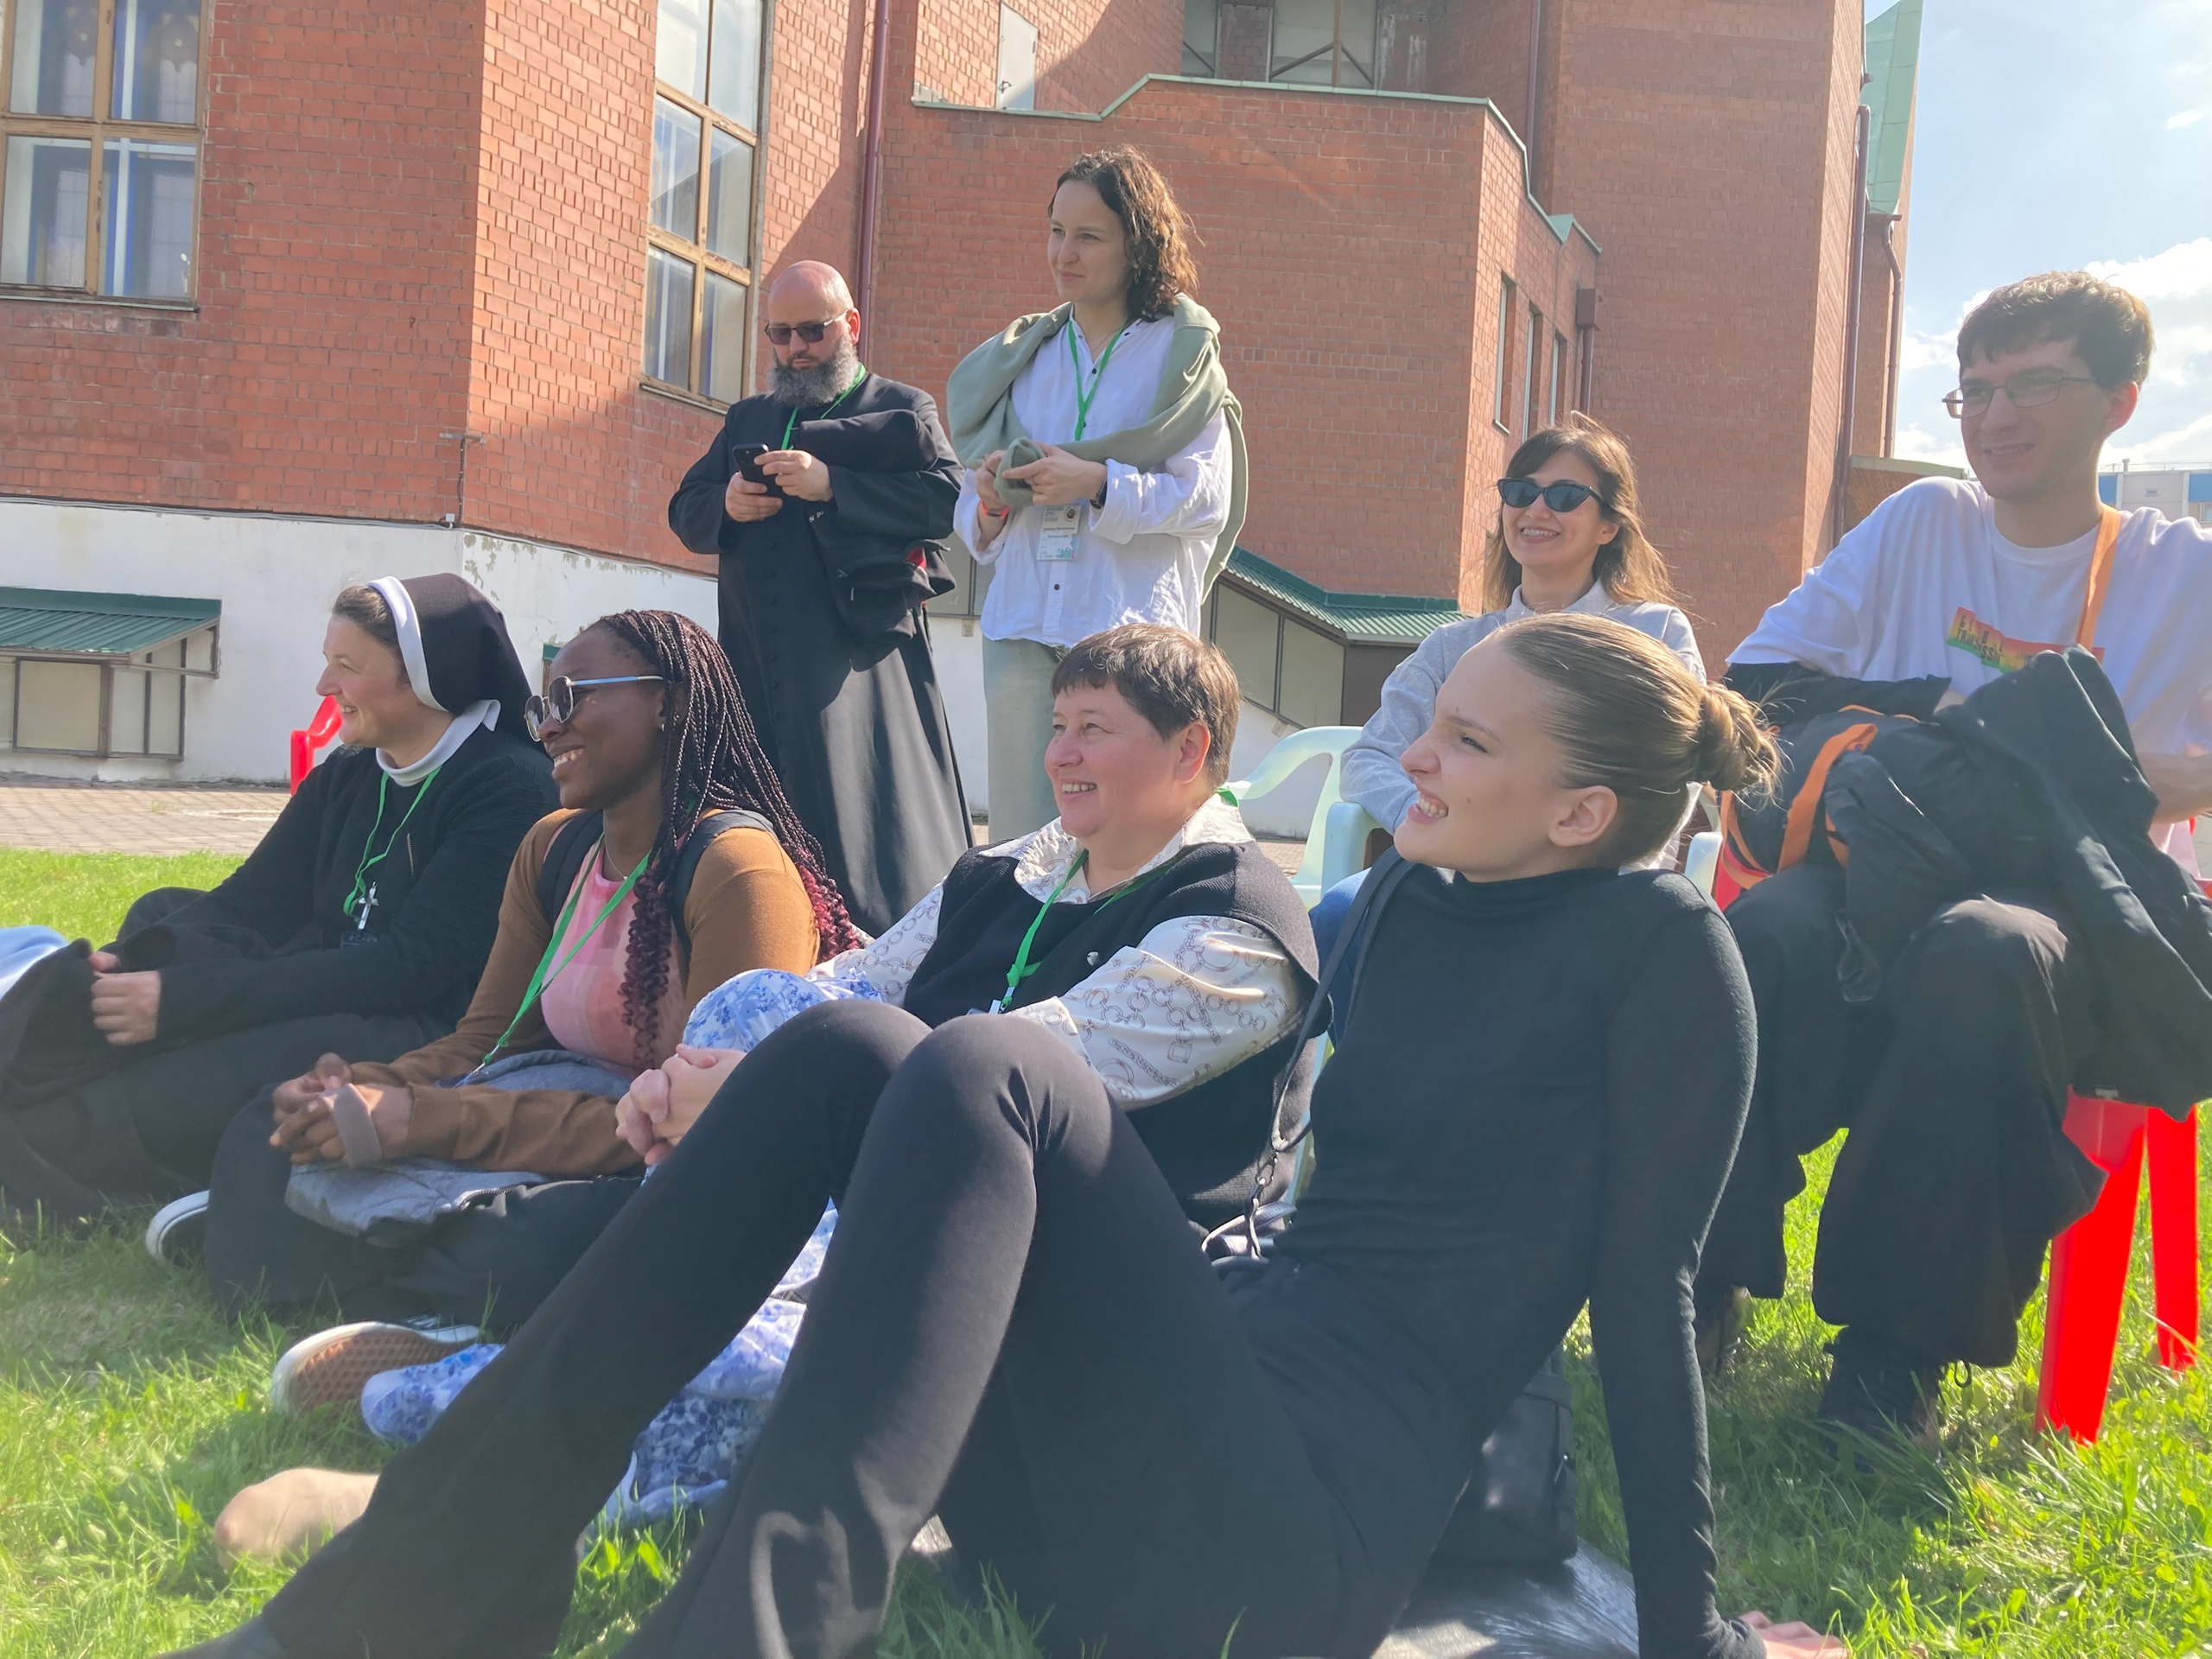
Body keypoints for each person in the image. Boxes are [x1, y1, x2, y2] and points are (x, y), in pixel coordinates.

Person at [167, 613, 1851, 1659]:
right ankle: (439, 1570)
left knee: (986, 1069)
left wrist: (1695, 1641)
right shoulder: (1413, 895)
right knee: (852, 1048)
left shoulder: (1663, 960)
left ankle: (758, 1635)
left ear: (1582, 810)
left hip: (1282, 1560)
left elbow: (1648, 1308)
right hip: (1106, 1494)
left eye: (1466, 741)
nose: (1411, 750)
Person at [1700, 270, 2212, 1440]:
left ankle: (1892, 1358)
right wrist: (1953, 726)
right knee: (1761, 936)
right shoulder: (1922, 523)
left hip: (2067, 894)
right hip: (1887, 856)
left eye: (2035, 384)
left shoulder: (2182, 568)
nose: (1994, 415)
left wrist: (2114, 778)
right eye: (1974, 390)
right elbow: (1757, 682)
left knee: (1984, 954)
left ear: (2121, 401)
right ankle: (1699, 1278)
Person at [200, 609, 853, 1355]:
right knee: (270, 1121)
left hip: (669, 1155)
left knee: (531, 1243)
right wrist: (367, 1088)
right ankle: (366, 1251)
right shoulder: (554, 846)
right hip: (548, 1112)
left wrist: (422, 1121)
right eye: (544, 704)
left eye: (574, 697)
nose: (548, 727)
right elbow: (485, 1042)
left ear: (669, 701)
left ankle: (327, 1241)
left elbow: (706, 1130)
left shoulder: (737, 870)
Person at [0, 575, 555, 1234]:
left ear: (430, 680)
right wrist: (131, 963)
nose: (324, 685)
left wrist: (186, 1000)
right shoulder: (351, 770)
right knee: (160, 918)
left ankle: (72, 1148)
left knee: (191, 1064)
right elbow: (251, 902)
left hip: (419, 1026)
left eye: (346, 666)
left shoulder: (509, 788)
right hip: (329, 973)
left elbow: (408, 968)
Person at [948, 146, 1247, 840]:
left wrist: (1100, 484)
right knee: (1023, 847)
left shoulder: (1180, 350)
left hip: (1129, 638)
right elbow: (973, 511)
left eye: (1088, 236)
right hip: (1023, 630)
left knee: (1124, 840)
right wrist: (992, 499)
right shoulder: (1025, 354)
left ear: (1137, 243)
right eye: (1056, 231)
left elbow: (1207, 498)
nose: (1064, 254)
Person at [668, 260, 971, 936]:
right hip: (754, 660)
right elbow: (685, 509)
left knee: (864, 825)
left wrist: (833, 484)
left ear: (851, 325)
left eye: (813, 330)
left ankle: (873, 944)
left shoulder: (901, 408)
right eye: (780, 334)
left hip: (857, 667)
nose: (796, 349)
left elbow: (949, 499)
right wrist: (727, 503)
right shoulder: (749, 415)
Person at [1321, 415, 1701, 950]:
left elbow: (1674, 774)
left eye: (1565, 496)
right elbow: (1369, 757)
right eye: (1520, 492)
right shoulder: (1452, 645)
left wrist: (1607, 874)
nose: (1536, 510)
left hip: (1598, 896)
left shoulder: (1655, 632)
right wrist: (1446, 826)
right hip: (1462, 889)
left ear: (1609, 526)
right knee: (1338, 918)